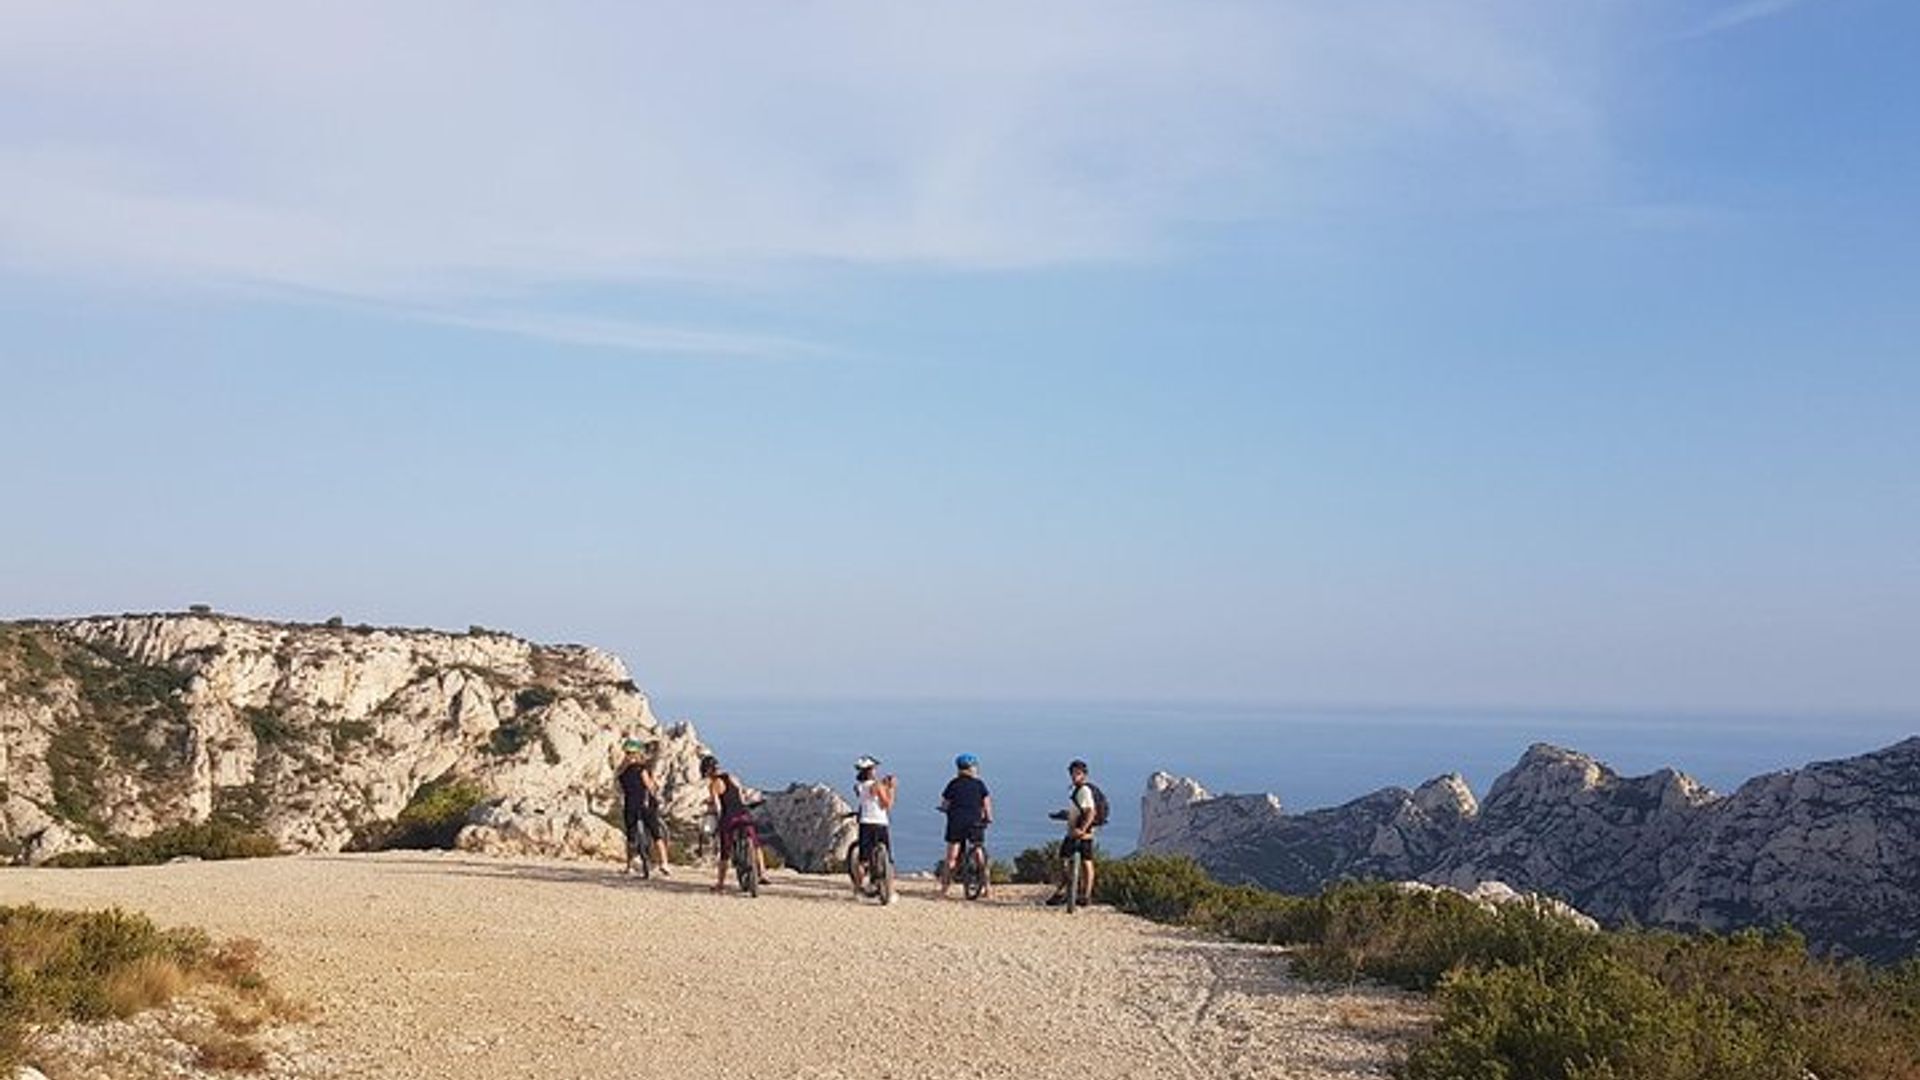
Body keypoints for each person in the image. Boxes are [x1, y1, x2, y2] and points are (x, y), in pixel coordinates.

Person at [702, 754, 765, 893]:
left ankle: (720, 884)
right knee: (755, 843)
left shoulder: (713, 784)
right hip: (743, 814)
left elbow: (718, 807)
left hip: (729, 818)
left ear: (707, 771)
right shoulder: (732, 777)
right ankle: (762, 873)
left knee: (725, 852)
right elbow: (741, 797)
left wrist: (715, 816)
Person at [613, 738, 671, 876]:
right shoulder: (642, 769)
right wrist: (655, 790)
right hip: (645, 805)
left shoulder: (621, 771)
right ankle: (665, 864)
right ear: (638, 754)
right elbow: (650, 787)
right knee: (656, 834)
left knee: (631, 837)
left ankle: (629, 866)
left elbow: (619, 788)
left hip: (630, 805)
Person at [938, 753, 993, 899]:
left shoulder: (953, 784)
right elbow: (987, 803)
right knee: (979, 854)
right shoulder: (979, 784)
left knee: (951, 857)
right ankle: (987, 888)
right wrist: (988, 818)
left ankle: (944, 890)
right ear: (972, 768)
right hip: (975, 822)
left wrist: (944, 809)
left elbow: (945, 804)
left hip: (956, 822)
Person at [1047, 759, 1098, 907]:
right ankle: (1078, 894)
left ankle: (1072, 893)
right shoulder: (1079, 790)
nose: (1075, 776)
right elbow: (1078, 810)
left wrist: (1081, 829)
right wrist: (1063, 815)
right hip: (1083, 831)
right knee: (1084, 861)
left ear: (1084, 775)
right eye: (1073, 773)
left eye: (1078, 773)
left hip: (1079, 832)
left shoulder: (1083, 791)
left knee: (1068, 859)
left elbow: (1090, 812)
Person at [848, 755, 896, 897]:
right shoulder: (877, 786)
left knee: (864, 860)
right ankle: (890, 891)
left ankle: (858, 887)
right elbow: (887, 804)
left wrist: (882, 784)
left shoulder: (858, 787)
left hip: (865, 823)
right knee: (888, 858)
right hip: (880, 823)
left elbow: (868, 795)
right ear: (871, 770)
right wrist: (892, 789)